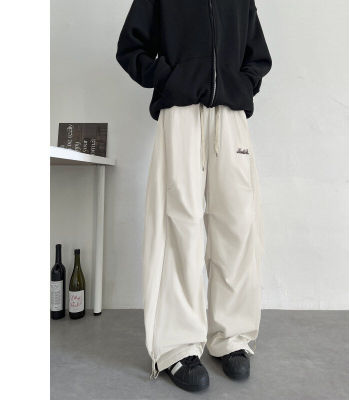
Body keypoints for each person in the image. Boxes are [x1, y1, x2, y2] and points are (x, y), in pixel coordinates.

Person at [116, 0, 272, 392]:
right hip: (180, 112)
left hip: (230, 116)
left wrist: (242, 84)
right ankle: (178, 346)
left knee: (237, 225)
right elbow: (130, 48)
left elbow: (258, 55)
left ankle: (230, 336)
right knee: (178, 225)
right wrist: (170, 79)